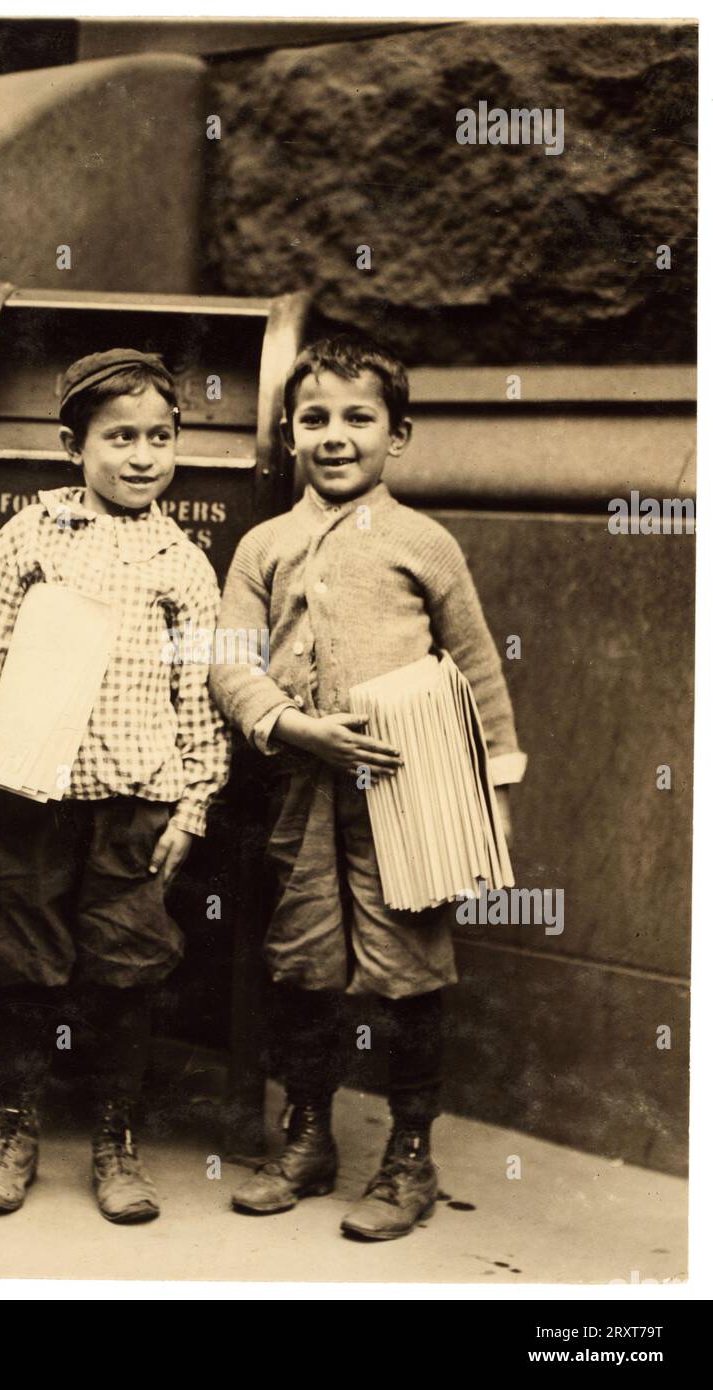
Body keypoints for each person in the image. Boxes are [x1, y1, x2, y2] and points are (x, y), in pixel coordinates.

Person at [208, 334, 526, 1240]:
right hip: (298, 794)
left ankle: (409, 1159)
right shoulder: (263, 546)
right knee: (301, 966)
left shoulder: (424, 543)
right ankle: (307, 1139)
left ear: (399, 436)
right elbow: (228, 663)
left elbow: (475, 666)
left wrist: (491, 793)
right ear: (287, 434)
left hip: (408, 796)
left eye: (358, 418)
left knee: (408, 974)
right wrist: (291, 723)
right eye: (315, 419)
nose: (335, 435)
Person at [0, 348, 231, 1224]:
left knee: (126, 962)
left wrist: (194, 800)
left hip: (135, 796)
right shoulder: (30, 535)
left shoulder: (182, 560)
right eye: (119, 438)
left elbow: (198, 686)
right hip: (29, 789)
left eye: (159, 437)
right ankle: (15, 1131)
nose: (142, 457)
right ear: (73, 446)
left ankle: (115, 1139)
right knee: (18, 957)